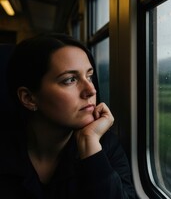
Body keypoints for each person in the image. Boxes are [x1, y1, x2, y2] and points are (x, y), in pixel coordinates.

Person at [0, 34, 136, 198]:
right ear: (29, 98)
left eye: (89, 76)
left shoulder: (105, 146)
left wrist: (89, 144)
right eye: (70, 80)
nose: (91, 90)